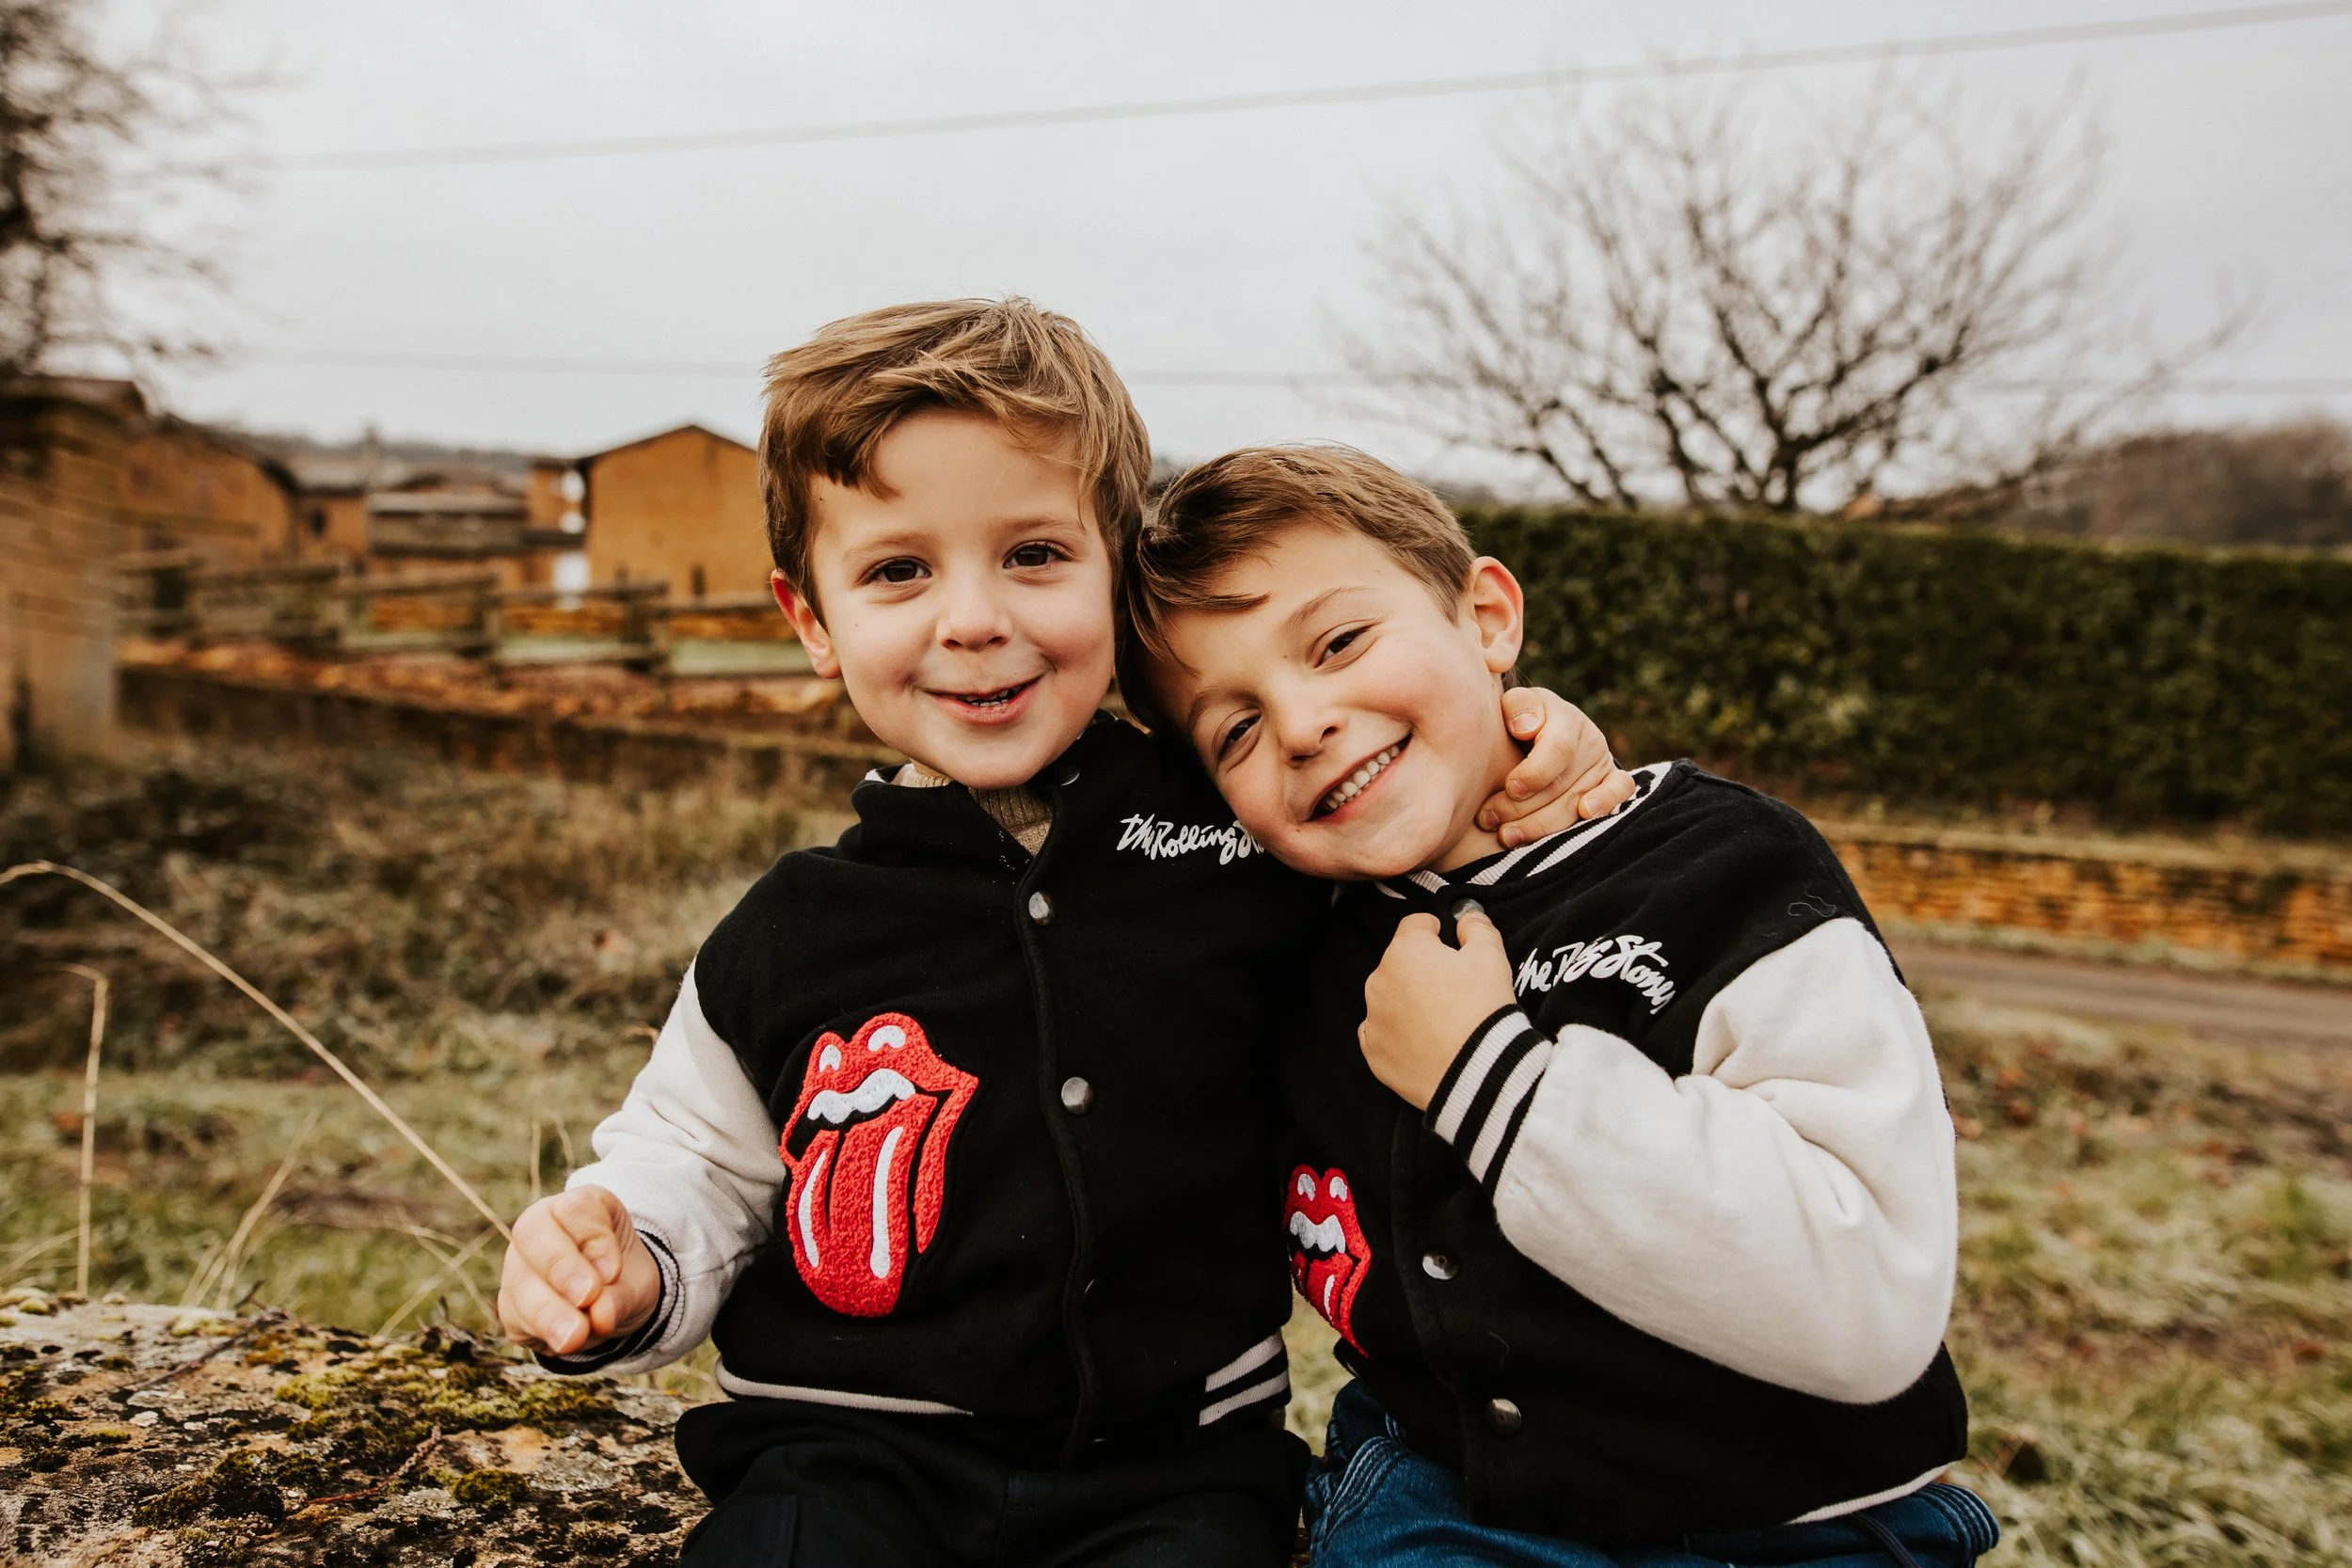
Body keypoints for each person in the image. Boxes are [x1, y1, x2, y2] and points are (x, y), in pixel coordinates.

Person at [490, 299, 1633, 1568]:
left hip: (1178, 1463)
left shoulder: (1245, 834)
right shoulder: (790, 932)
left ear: (1118, 568)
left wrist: (1530, 734)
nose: (973, 619)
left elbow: (1405, 803)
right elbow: (695, 1160)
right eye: (896, 570)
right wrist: (625, 1258)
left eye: (1034, 554)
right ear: (811, 616)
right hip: (847, 1454)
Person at [1120, 444, 1998, 1568]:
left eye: (1339, 641)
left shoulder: (1724, 871)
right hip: (1451, 1507)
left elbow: (1870, 1293)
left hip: (1817, 1520)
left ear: (1487, 616)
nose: (1300, 724)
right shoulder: (1277, 934)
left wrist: (1492, 1076)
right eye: (1232, 728)